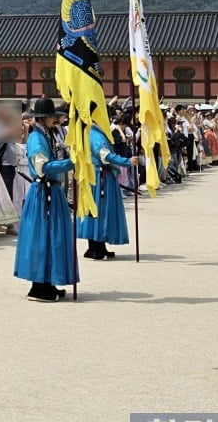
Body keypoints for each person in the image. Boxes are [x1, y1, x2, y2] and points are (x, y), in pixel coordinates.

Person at [13, 99, 76, 302]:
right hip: (43, 192)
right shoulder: (37, 139)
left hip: (51, 191)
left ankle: (49, 281)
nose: (56, 119)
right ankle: (39, 286)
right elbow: (44, 168)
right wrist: (71, 163)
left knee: (51, 237)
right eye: (53, 116)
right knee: (43, 238)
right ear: (45, 117)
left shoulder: (46, 134)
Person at [77, 124, 138, 261]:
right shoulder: (96, 134)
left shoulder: (91, 132)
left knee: (95, 210)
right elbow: (105, 155)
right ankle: (96, 247)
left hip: (95, 174)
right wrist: (126, 161)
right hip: (100, 176)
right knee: (101, 210)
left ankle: (96, 246)